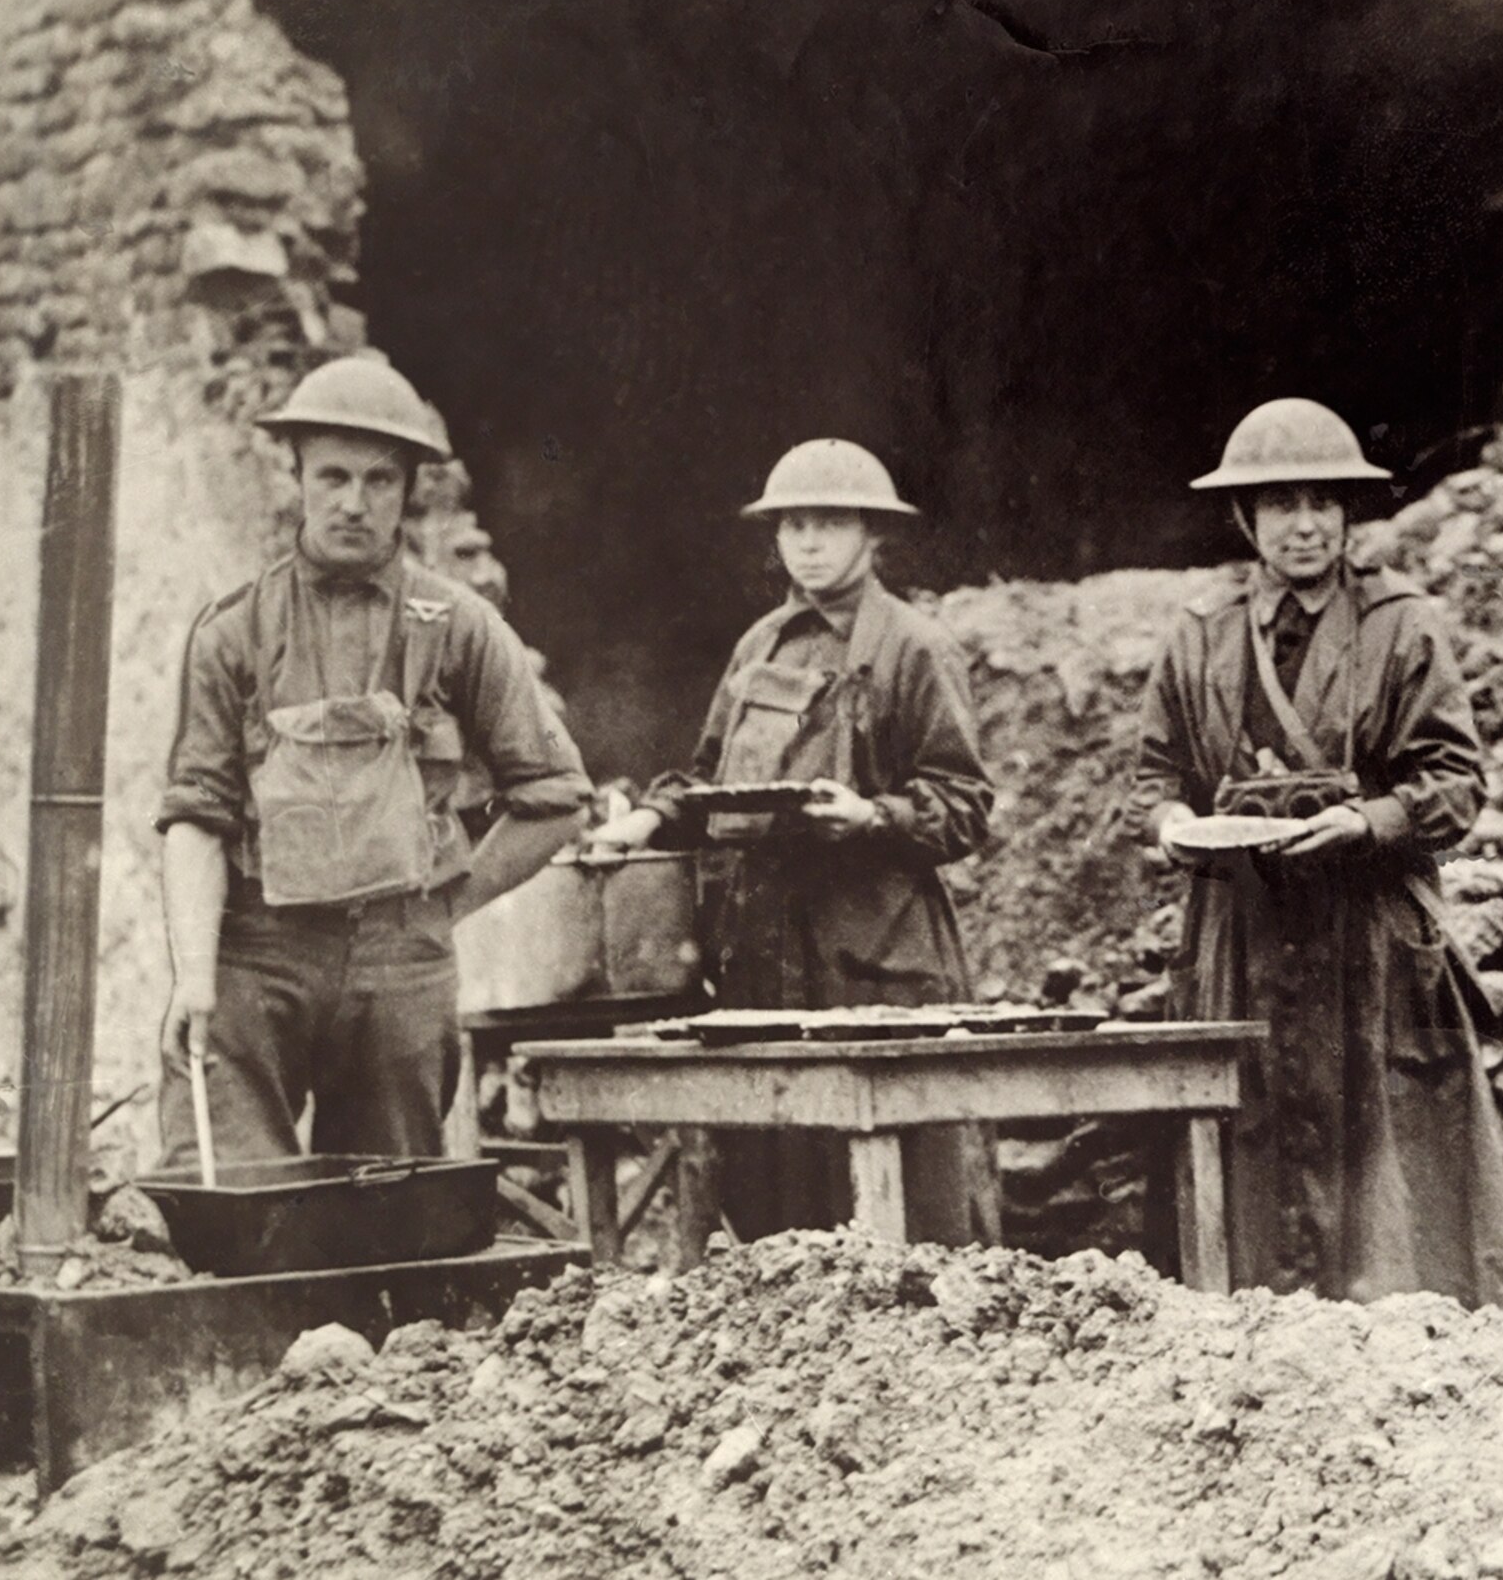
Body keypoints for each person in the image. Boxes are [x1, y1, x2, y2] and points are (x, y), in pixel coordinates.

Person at [1133, 398, 1503, 1307]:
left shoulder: (1401, 623)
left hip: (1369, 937)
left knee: (1390, 1171)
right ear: (1246, 518)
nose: (1306, 524)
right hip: (1240, 936)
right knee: (1246, 1141)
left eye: (1323, 501)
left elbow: (1456, 781)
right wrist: (1170, 825)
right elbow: (1154, 776)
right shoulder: (1199, 635)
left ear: (1349, 512)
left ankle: (1412, 1344)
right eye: (1281, 504)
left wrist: (1370, 820)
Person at [158, 356, 594, 1167]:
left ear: (408, 490)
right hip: (258, 951)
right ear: (298, 476)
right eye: (332, 476)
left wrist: (447, 904)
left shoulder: (459, 626)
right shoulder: (233, 630)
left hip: (400, 959)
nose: (353, 503)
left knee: (391, 1203)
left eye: (379, 480)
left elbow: (558, 798)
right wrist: (193, 975)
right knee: (229, 1189)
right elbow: (195, 814)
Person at [589, 440, 999, 1243]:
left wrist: (872, 816)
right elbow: (706, 777)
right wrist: (646, 820)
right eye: (793, 525)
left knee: (906, 1195)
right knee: (774, 1191)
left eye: (830, 523)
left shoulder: (915, 646)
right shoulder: (759, 647)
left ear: (874, 534)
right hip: (764, 955)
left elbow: (966, 805)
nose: (808, 542)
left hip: (874, 959)